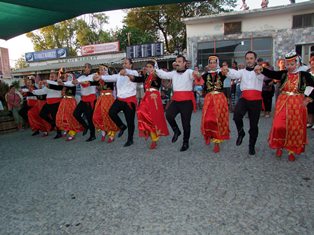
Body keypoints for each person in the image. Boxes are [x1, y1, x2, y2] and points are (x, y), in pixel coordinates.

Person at [255, 51, 314, 161]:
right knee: (279, 126)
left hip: (297, 103)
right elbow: (272, 74)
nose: (290, 67)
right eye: (288, 64)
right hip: (283, 102)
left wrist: (308, 98)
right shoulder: (283, 74)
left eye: (292, 64)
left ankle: (291, 150)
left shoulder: (304, 74)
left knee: (294, 128)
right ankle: (279, 145)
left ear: (297, 63)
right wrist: (261, 69)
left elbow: (312, 86)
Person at [221, 51, 265, 155]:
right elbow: (234, 74)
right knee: (236, 116)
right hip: (244, 98)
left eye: (251, 58)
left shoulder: (261, 71)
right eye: (247, 58)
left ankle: (251, 146)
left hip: (256, 100)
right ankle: (241, 132)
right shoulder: (242, 71)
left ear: (255, 59)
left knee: (254, 125)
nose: (249, 60)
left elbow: (261, 77)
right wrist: (226, 70)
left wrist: (258, 71)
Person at [155, 55, 199, 151]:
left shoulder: (189, 72)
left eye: (179, 61)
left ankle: (185, 142)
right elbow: (163, 75)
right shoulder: (173, 73)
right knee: (169, 115)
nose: (177, 63)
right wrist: (155, 69)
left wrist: (197, 74)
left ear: (184, 63)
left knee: (186, 124)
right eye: (176, 61)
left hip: (187, 102)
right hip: (176, 100)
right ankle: (176, 130)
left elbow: (196, 77)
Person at [94, 58, 139, 147]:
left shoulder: (134, 72)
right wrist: (101, 77)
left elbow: (135, 78)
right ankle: (122, 126)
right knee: (111, 112)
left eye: (126, 63)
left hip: (129, 100)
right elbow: (111, 77)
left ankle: (130, 139)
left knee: (130, 121)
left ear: (130, 65)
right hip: (120, 99)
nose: (124, 65)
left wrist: (127, 73)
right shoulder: (119, 75)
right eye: (123, 63)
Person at [127, 60, 169, 149]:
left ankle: (154, 139)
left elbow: (163, 79)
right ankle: (147, 130)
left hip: (154, 96)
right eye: (147, 67)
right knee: (140, 112)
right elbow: (136, 79)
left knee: (154, 117)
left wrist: (156, 73)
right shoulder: (145, 76)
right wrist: (129, 75)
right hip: (146, 96)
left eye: (150, 67)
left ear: (154, 67)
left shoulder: (157, 74)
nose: (148, 68)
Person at [201, 56, 230, 153]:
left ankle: (217, 142)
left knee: (218, 120)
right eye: (210, 62)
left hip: (219, 98)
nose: (212, 64)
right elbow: (198, 82)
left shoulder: (221, 73)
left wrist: (225, 68)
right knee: (207, 119)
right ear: (208, 64)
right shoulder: (204, 75)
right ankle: (209, 134)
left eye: (214, 62)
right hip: (209, 99)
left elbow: (229, 72)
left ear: (217, 63)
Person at [32, 70, 63, 139]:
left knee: (55, 118)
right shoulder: (48, 84)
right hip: (48, 103)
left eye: (53, 76)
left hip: (55, 102)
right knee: (42, 114)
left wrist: (46, 81)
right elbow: (42, 91)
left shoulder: (57, 83)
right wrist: (33, 91)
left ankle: (59, 133)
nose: (51, 77)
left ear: (56, 77)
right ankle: (52, 123)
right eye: (50, 76)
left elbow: (53, 85)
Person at [92, 65, 119, 143]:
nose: (101, 71)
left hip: (108, 98)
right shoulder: (98, 79)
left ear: (107, 71)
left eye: (103, 69)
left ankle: (111, 134)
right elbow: (95, 87)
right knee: (97, 116)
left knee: (107, 116)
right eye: (100, 69)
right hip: (101, 98)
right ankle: (104, 130)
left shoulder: (110, 78)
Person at [56, 68, 83, 141]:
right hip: (64, 101)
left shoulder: (72, 83)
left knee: (71, 116)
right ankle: (67, 128)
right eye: (66, 75)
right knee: (63, 116)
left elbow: (69, 84)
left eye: (68, 75)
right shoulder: (65, 83)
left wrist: (63, 83)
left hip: (71, 101)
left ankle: (72, 132)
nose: (67, 76)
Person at [73, 63, 97, 142]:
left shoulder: (93, 75)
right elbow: (77, 81)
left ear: (90, 68)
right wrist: (73, 82)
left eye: (87, 67)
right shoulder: (81, 77)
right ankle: (85, 126)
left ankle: (92, 135)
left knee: (90, 118)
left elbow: (87, 82)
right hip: (83, 100)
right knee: (75, 114)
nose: (85, 69)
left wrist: (78, 81)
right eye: (84, 67)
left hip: (90, 100)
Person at [306, 56, 314, 130]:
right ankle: (310, 122)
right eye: (312, 64)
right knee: (309, 108)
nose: (313, 65)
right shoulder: (307, 72)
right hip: (308, 91)